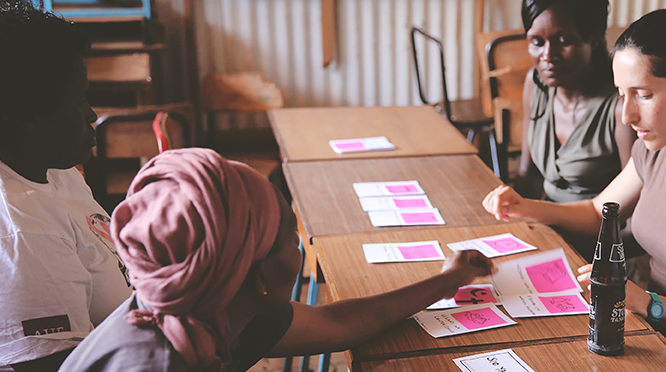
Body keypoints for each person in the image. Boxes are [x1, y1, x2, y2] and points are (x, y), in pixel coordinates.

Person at [484, 7, 666, 372]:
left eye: (643, 95)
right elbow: (598, 212)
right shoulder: (655, 149)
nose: (627, 115)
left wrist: (647, 303)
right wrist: (526, 206)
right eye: (621, 94)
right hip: (651, 343)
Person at [60, 148, 495, 371]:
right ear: (257, 274)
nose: (300, 250)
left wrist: (450, 278)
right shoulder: (156, 363)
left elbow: (342, 322)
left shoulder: (206, 305)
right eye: (291, 238)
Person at [0, 2, 133, 371]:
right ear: (23, 118)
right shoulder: (25, 231)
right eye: (78, 101)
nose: (91, 114)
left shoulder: (55, 171)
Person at [516, 0, 635, 204]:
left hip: (600, 226)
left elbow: (635, 202)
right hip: (545, 220)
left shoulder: (620, 107)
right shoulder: (536, 85)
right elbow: (526, 176)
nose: (547, 56)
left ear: (594, 37)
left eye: (564, 41)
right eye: (537, 42)